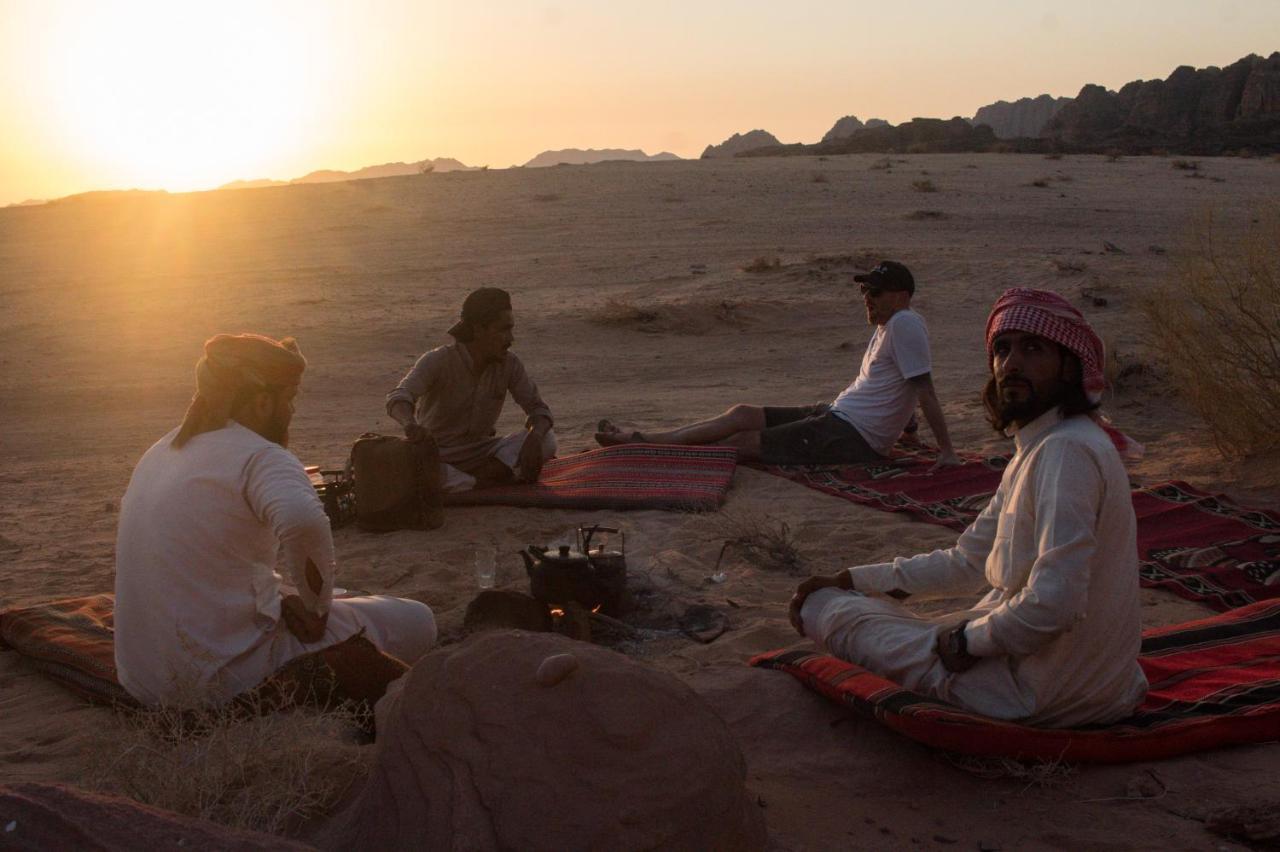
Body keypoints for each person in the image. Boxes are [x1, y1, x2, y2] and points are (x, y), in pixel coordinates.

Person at [788, 288, 1147, 727]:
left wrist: (967, 641)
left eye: (1032, 349)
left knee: (826, 610)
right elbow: (968, 559)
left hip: (1040, 695)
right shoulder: (1044, 446)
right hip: (1099, 684)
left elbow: (1056, 603)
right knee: (847, 598)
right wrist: (855, 579)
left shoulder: (1065, 452)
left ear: (1069, 367)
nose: (1011, 364)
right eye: (1002, 349)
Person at [114, 334, 437, 707]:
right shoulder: (261, 456)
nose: (292, 412)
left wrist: (291, 594)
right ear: (264, 401)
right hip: (222, 676)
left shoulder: (161, 450)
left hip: (140, 678)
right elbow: (303, 520)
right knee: (416, 620)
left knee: (338, 597)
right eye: (289, 399)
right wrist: (316, 609)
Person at [595, 261, 959, 469]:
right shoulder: (891, 326)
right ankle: (644, 439)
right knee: (741, 413)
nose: (866, 299)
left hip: (853, 435)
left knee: (742, 442)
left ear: (901, 297)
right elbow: (899, 385)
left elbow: (924, 389)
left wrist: (946, 452)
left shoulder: (905, 324)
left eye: (874, 293)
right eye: (864, 292)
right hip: (838, 415)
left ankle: (650, 453)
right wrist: (907, 428)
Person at [387, 287, 556, 491]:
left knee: (547, 440)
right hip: (438, 454)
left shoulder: (510, 364)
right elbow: (399, 397)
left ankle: (470, 482)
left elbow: (538, 410)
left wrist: (535, 437)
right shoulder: (438, 360)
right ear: (478, 330)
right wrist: (409, 424)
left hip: (482, 452)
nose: (511, 338)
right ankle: (480, 482)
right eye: (503, 329)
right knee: (411, 468)